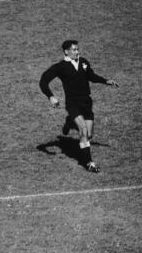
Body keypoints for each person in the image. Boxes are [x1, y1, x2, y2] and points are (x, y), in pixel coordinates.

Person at [39, 40, 118, 173]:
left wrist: (106, 81)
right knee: (83, 131)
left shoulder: (84, 62)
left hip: (86, 102)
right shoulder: (60, 67)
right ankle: (89, 163)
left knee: (89, 135)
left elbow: (91, 76)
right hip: (73, 103)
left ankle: (70, 122)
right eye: (74, 50)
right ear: (66, 51)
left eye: (77, 49)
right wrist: (50, 96)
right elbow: (43, 81)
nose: (77, 52)